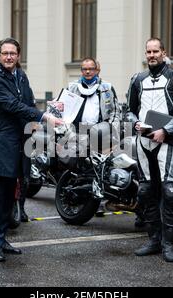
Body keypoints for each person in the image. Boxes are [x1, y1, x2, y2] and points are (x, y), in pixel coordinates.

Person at [0, 38, 62, 262]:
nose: (9, 57)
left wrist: (47, 111)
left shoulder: (21, 76)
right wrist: (44, 116)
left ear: (18, 55)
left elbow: (28, 101)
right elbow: (12, 105)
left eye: (12, 53)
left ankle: (3, 239)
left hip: (18, 145)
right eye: (5, 53)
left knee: (10, 198)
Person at [126, 38, 173, 262]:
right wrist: (135, 122)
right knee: (146, 191)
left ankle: (168, 245)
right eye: (148, 51)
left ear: (164, 53)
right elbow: (129, 111)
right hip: (144, 141)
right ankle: (154, 240)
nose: (152, 55)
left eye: (156, 51)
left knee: (169, 193)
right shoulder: (138, 79)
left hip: (168, 141)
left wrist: (166, 130)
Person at [51, 57, 121, 217]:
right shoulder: (73, 87)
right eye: (84, 69)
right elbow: (61, 105)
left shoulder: (107, 88)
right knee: (79, 166)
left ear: (97, 70)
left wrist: (112, 130)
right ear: (81, 71)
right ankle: (79, 197)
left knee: (102, 167)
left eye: (91, 69)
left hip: (100, 131)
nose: (88, 72)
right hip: (78, 131)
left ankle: (101, 202)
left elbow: (115, 112)